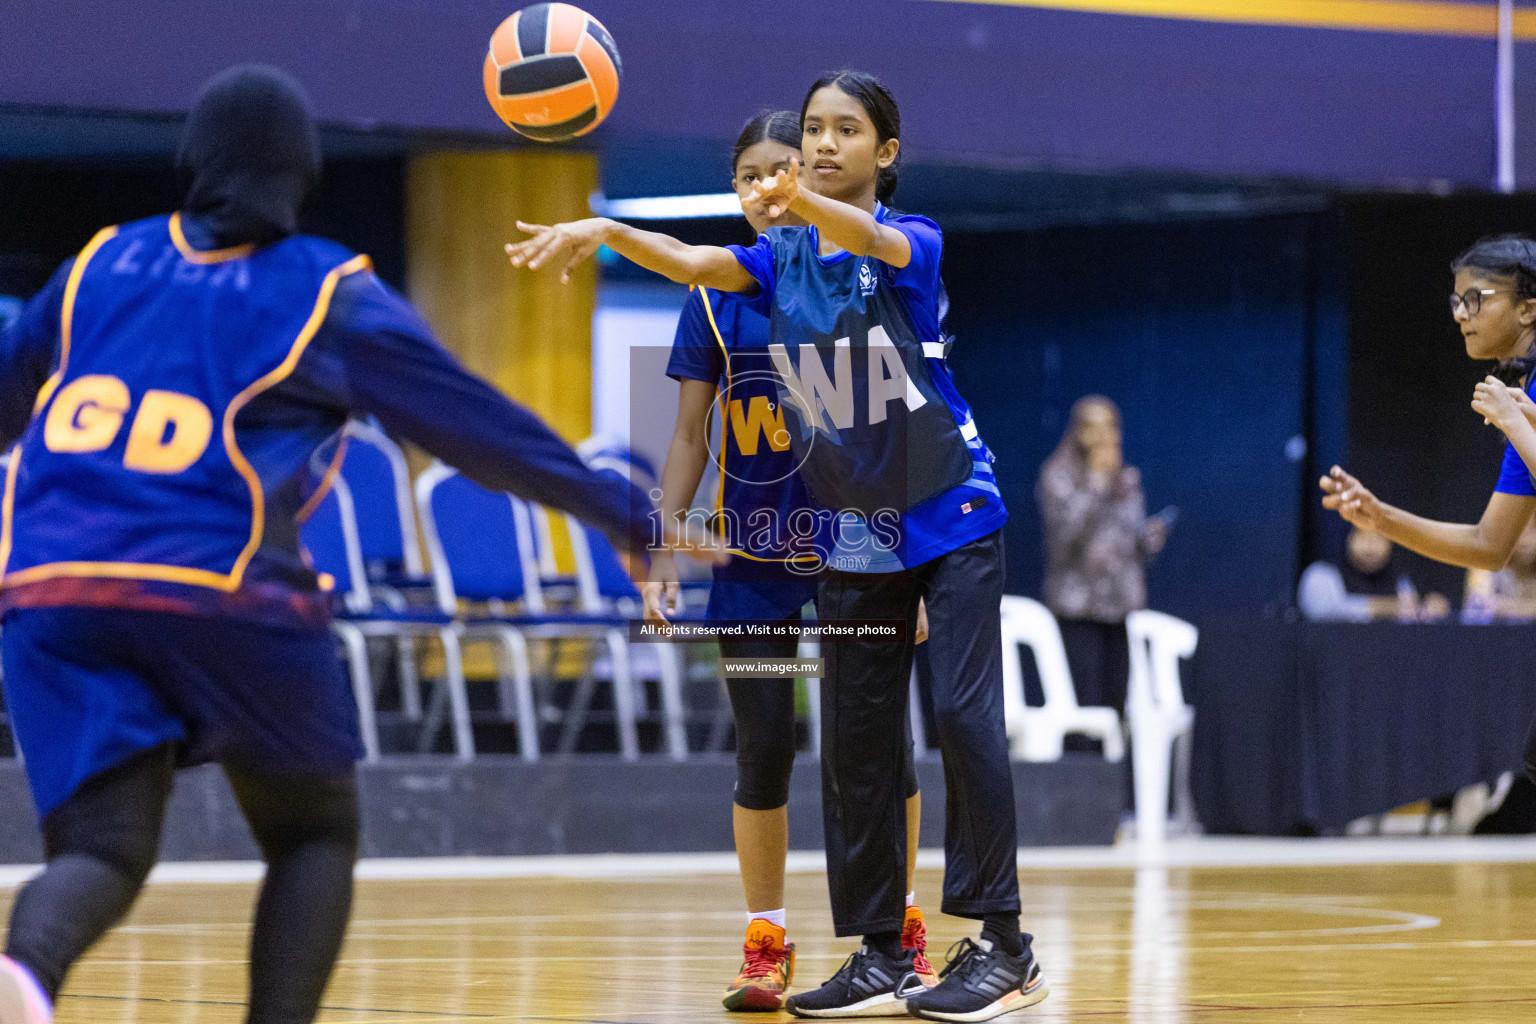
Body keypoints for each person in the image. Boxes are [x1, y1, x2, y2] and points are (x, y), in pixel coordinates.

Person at [0, 66, 656, 1024]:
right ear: (301, 176)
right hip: (221, 586)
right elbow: (477, 428)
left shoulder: (98, 263)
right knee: (311, 833)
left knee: (101, 848)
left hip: (53, 593)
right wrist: (618, 510)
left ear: (194, 162)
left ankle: (24, 974)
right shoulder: (325, 289)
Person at [508, 70, 1045, 1023]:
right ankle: (880, 952)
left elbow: (869, 236)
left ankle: (1004, 945)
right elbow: (695, 264)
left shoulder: (909, 245)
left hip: (951, 511)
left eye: (846, 131)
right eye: (814, 130)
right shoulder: (772, 262)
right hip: (852, 533)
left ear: (885, 153)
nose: (826, 143)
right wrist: (607, 232)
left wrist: (801, 199)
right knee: (854, 743)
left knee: (961, 719)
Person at [643, 109, 934, 1011]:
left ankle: (904, 927)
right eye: (749, 177)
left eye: (784, 170)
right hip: (757, 558)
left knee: (880, 746)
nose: (767, 188)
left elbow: (909, 418)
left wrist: (914, 549)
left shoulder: (863, 276)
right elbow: (689, 435)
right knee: (764, 743)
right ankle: (765, 941)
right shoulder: (714, 295)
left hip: (861, 547)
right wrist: (664, 540)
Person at [1321, 235, 1536, 797]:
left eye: (1476, 299)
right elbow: (1491, 546)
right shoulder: (1524, 397)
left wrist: (1517, 427)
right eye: (1456, 302)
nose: (1462, 316)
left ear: (1528, 308)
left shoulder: (1520, 409)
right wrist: (1380, 517)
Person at [1037, 395, 1168, 716]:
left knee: (1116, 704)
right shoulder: (1058, 474)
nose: (1103, 436)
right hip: (1079, 608)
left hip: (1119, 607)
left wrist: (1148, 538)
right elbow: (1065, 538)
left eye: (1110, 426)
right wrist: (1098, 482)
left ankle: (1114, 766)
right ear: (1078, 430)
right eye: (1093, 427)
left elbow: (1128, 538)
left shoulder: (1125, 477)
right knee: (1084, 706)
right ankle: (1083, 766)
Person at [1299, 527, 1451, 622]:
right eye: (1363, 537)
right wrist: (1384, 608)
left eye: (1378, 538)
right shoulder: (1322, 574)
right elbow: (1324, 612)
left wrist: (1429, 610)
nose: (1370, 546)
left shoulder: (1400, 581)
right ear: (1348, 539)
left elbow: (1411, 617)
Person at [1464, 517, 1536, 621]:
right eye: (1519, 528)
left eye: (1533, 529)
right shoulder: (1484, 564)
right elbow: (1478, 608)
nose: (1525, 538)